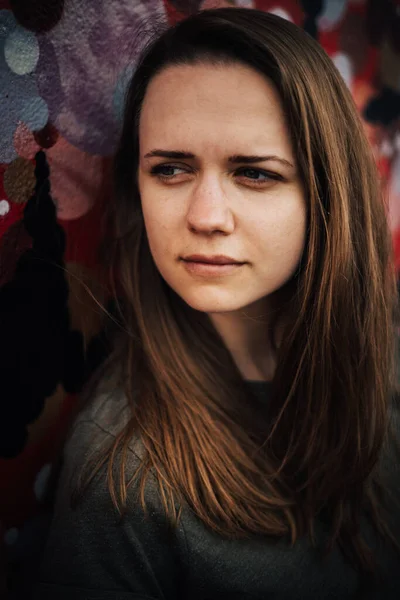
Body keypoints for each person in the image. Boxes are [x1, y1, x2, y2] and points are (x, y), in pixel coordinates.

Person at [33, 8, 400, 599]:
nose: (205, 217)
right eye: (171, 169)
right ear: (137, 189)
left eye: (254, 173)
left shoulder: (390, 354)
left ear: (327, 193)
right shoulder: (123, 475)